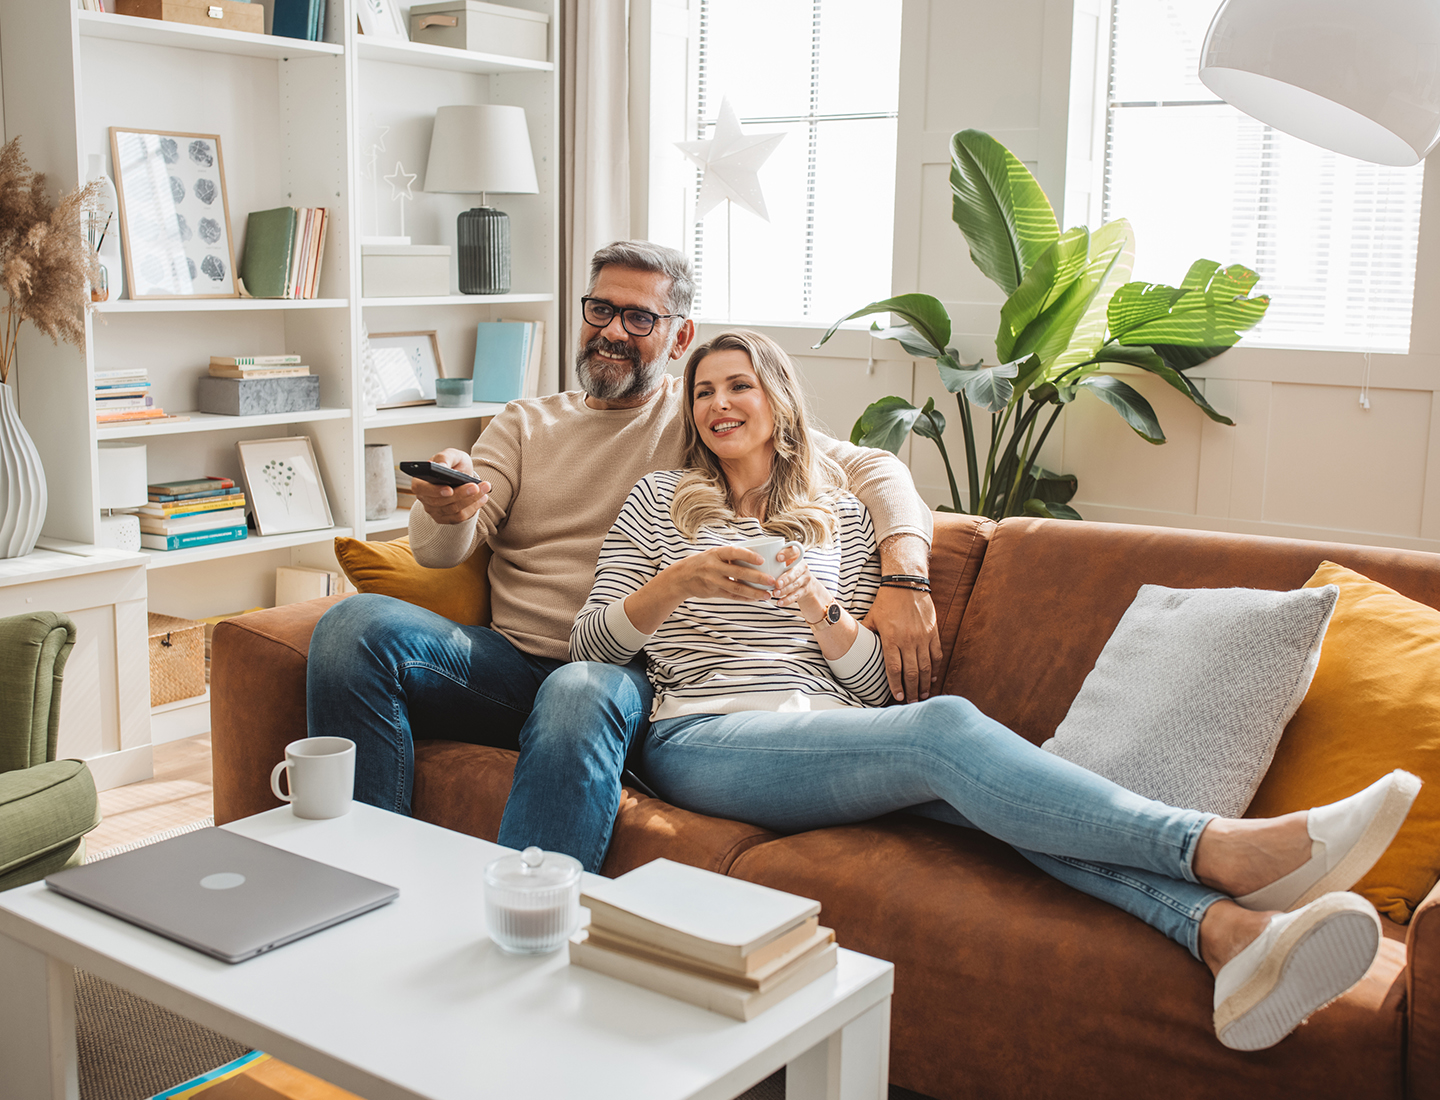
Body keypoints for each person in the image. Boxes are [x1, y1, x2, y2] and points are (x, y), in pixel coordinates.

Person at [570, 328, 1422, 1051]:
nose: (720, 404)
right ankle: (1216, 846)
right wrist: (676, 584)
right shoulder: (657, 503)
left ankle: (1229, 936)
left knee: (1010, 808)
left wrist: (821, 607)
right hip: (703, 738)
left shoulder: (837, 514)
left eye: (739, 386)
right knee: (944, 729)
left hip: (825, 736)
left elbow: (872, 685)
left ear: (777, 399)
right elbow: (591, 643)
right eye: (704, 391)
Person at [306, 241, 940, 874]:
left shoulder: (704, 416)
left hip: (629, 676)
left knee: (580, 687)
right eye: (599, 310)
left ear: (678, 335)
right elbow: (443, 548)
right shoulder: (524, 423)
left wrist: (906, 578)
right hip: (510, 664)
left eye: (640, 318)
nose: (612, 331)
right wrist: (449, 509)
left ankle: (535, 912)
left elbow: (873, 467)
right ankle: (356, 870)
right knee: (348, 626)